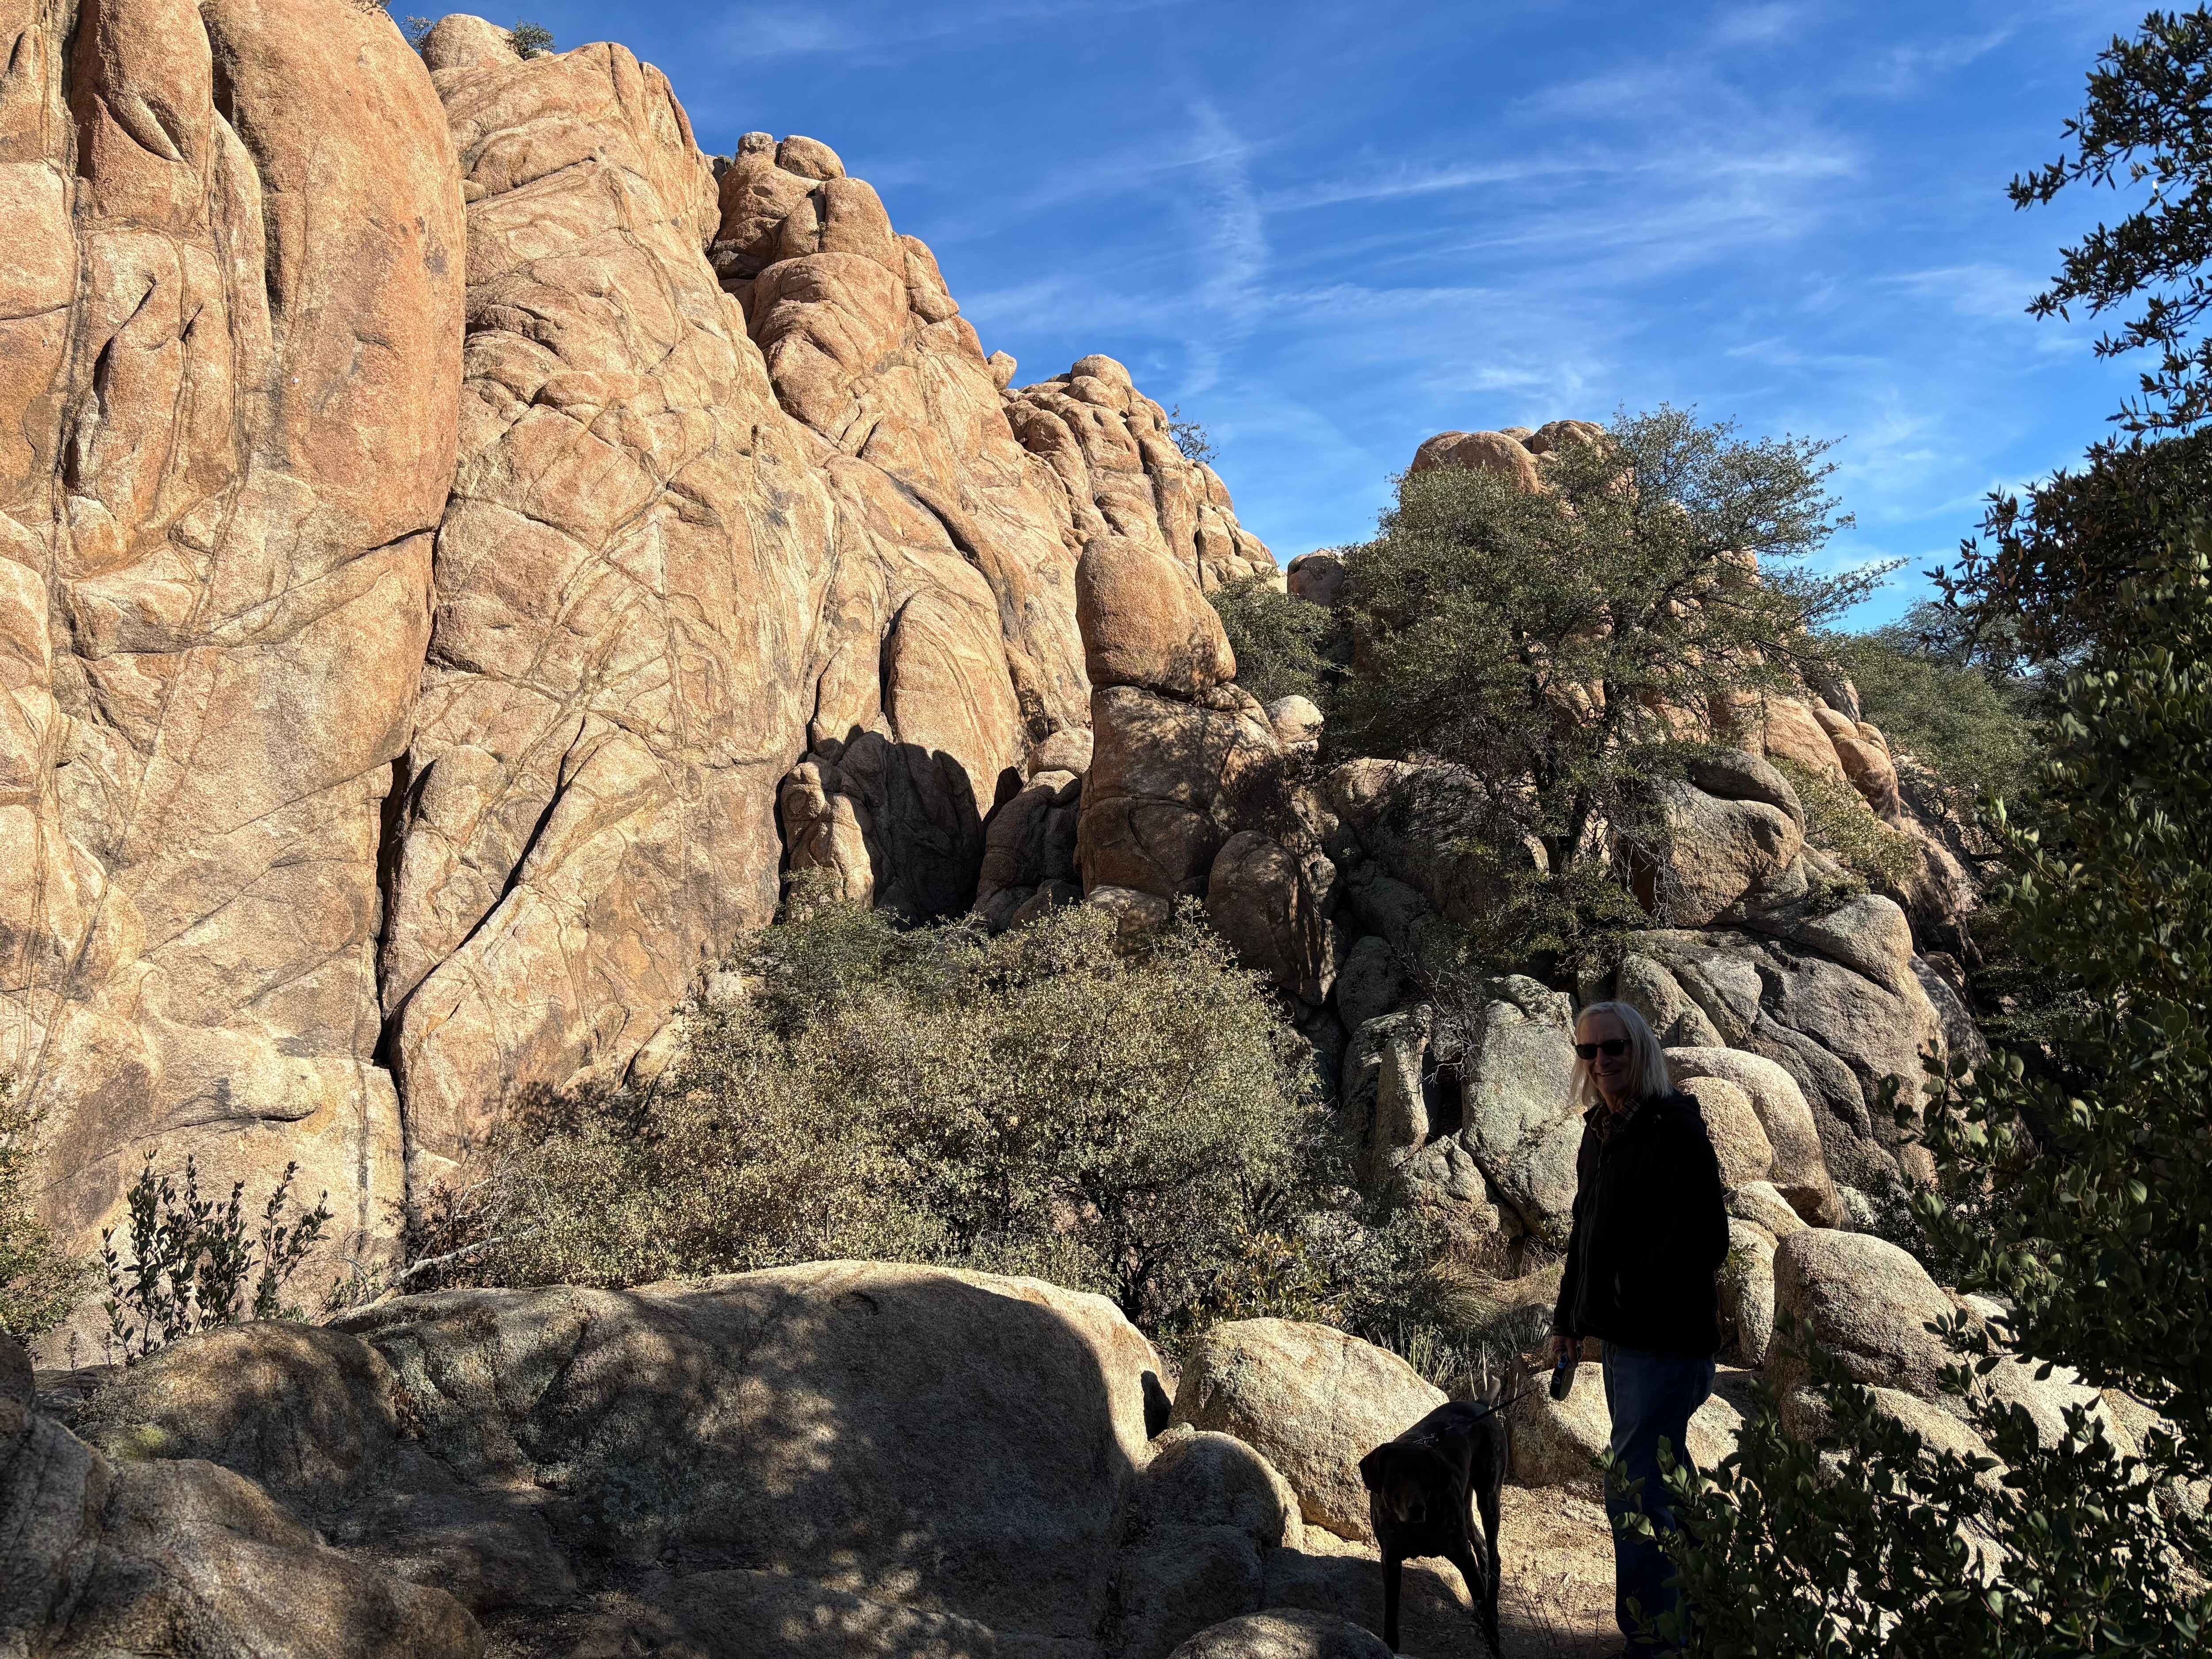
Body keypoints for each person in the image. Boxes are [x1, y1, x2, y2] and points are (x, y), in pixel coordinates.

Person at [1546, 1000, 1728, 1655]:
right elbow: (1584, 1235)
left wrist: (1625, 1286)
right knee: (1663, 1477)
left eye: (1613, 1048)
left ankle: (1654, 1639)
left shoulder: (1673, 1126)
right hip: (1625, 1345)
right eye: (1588, 1052)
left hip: (1666, 1344)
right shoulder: (1601, 1131)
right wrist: (1569, 1320)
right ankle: (1714, 1609)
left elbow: (1707, 1238)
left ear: (1640, 1047)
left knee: (1633, 1488)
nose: (1600, 1062)